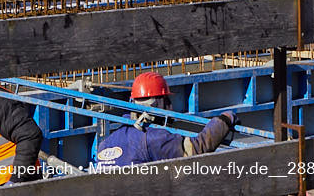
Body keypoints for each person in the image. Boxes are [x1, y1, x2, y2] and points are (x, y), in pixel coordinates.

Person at [95, 71, 236, 168]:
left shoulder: (108, 141)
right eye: (166, 100)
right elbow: (198, 148)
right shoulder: (153, 138)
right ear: (158, 102)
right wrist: (225, 119)